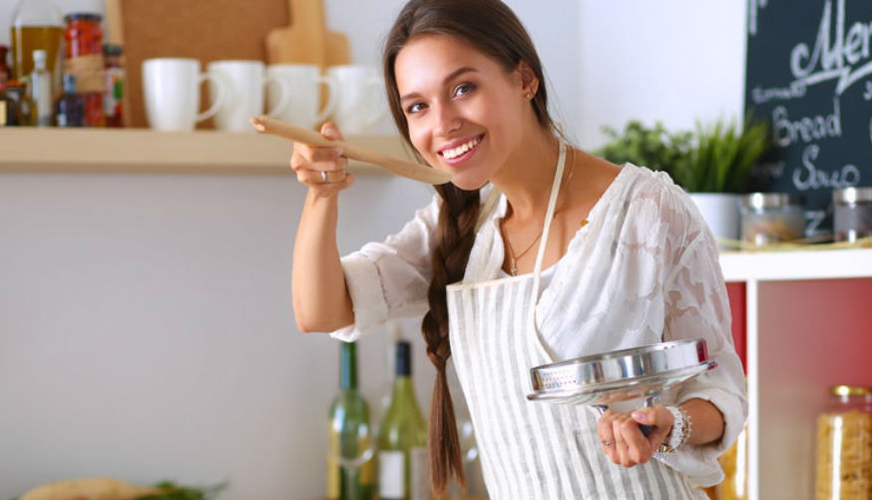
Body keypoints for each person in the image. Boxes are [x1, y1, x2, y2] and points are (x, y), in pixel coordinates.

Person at [289, 0, 747, 498]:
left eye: (463, 88)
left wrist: (670, 423)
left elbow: (720, 392)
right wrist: (320, 195)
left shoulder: (648, 211)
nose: (441, 124)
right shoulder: (460, 225)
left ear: (524, 79)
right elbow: (321, 311)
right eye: (417, 106)